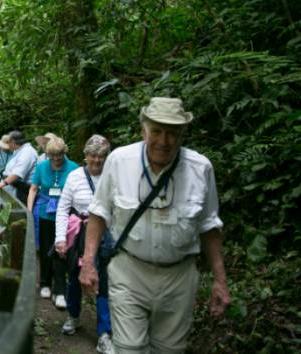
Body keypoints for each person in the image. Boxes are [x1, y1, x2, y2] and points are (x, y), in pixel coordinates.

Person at [81, 97, 231, 353]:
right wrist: (88, 263)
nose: (164, 141)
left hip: (179, 276)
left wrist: (220, 280)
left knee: (170, 349)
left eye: (172, 133)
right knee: (128, 347)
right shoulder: (119, 161)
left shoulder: (200, 168)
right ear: (144, 130)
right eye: (157, 131)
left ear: (183, 133)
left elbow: (209, 226)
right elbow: (99, 213)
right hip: (129, 271)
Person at [55, 134, 113, 353]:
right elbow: (62, 208)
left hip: (106, 235)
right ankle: (73, 315)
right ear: (85, 156)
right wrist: (60, 239)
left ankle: (104, 333)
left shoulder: (113, 176)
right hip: (80, 236)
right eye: (93, 156)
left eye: (101, 156)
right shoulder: (75, 176)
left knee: (104, 283)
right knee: (75, 280)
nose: (97, 161)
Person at [27, 137, 80, 306]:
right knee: (45, 248)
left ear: (64, 153)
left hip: (66, 214)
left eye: (59, 155)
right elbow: (33, 188)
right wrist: (29, 210)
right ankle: (44, 283)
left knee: (61, 250)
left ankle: (60, 290)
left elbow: (78, 192)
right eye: (52, 155)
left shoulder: (73, 168)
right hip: (45, 212)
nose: (56, 158)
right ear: (47, 154)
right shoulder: (41, 166)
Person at [0, 130, 38, 204]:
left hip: (22, 190)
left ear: (13, 143)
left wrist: (3, 183)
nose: (7, 145)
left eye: (8, 143)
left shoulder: (27, 152)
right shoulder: (19, 151)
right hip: (12, 187)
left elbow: (18, 173)